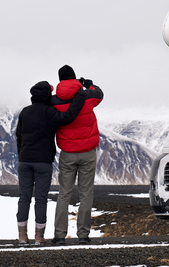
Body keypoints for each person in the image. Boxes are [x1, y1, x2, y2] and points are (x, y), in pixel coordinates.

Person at [14, 80, 87, 245]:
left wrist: (22, 155)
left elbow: (18, 136)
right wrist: (79, 98)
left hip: (25, 161)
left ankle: (22, 235)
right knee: (41, 199)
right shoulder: (49, 112)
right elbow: (68, 117)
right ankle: (39, 237)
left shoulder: (25, 112)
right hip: (43, 162)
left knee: (24, 197)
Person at [51, 64, 104, 245]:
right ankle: (83, 235)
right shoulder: (87, 96)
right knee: (85, 194)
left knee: (64, 193)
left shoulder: (55, 101)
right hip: (88, 153)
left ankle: (59, 235)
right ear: (74, 78)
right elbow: (99, 93)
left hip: (67, 154)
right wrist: (89, 84)